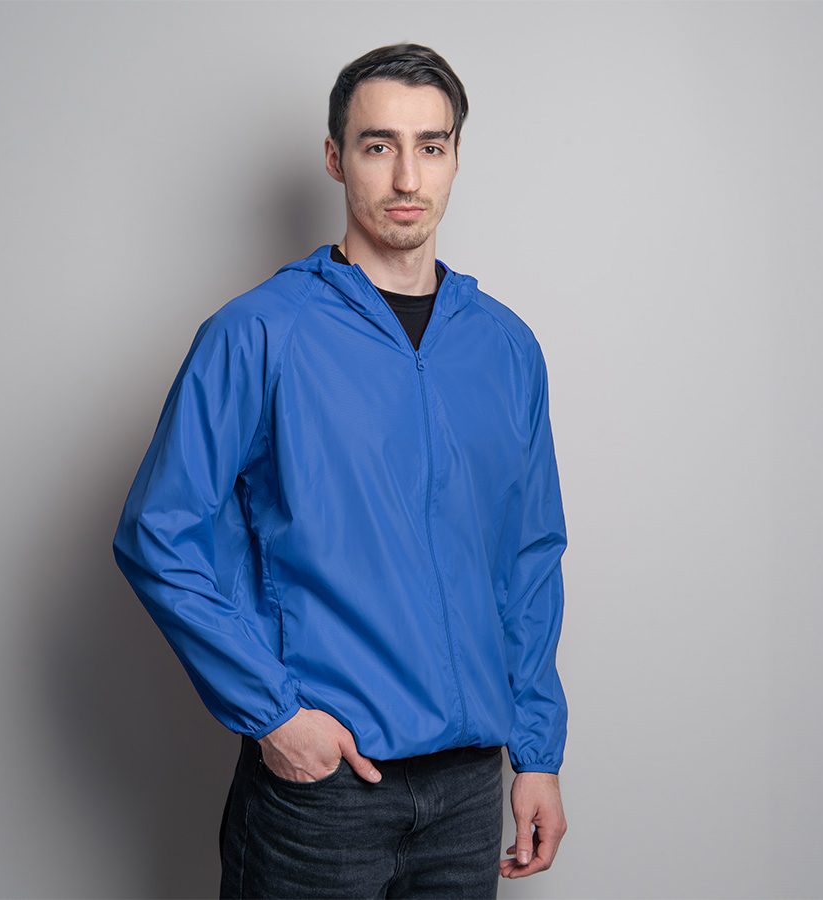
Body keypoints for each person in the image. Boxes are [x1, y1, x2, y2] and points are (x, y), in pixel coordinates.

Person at [114, 43, 568, 899]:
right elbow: (157, 534)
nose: (407, 176)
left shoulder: (507, 348)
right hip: (322, 794)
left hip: (470, 791)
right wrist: (275, 716)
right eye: (377, 144)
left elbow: (528, 560)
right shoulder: (258, 333)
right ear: (335, 157)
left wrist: (538, 754)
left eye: (431, 146)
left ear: (456, 159)